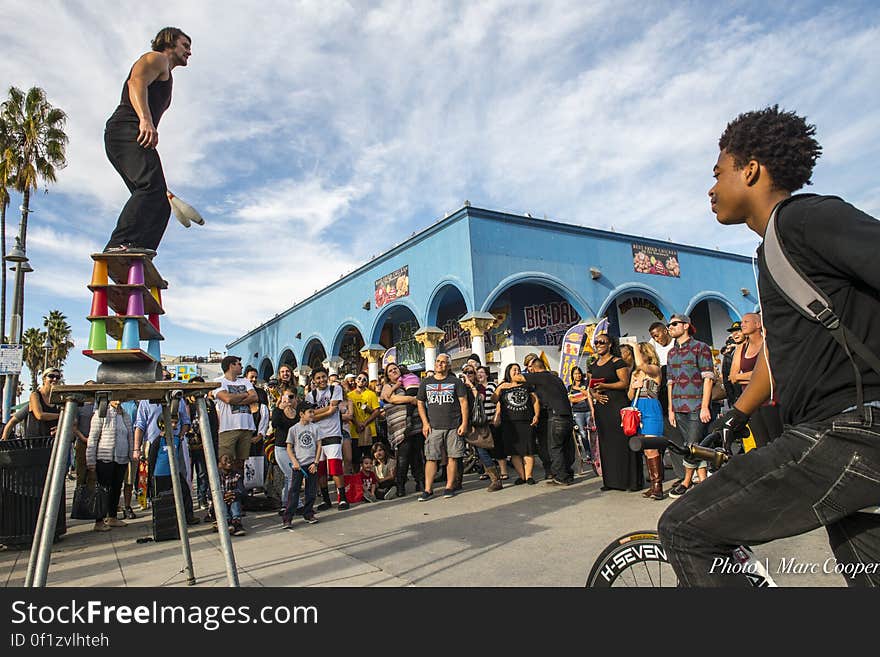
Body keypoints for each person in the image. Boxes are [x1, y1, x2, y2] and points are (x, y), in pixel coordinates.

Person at [660, 105, 880, 586]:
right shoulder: (773, 251)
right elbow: (779, 356)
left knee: (684, 528)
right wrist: (733, 417)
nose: (711, 188)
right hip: (849, 436)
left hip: (850, 431)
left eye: (718, 173)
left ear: (752, 169)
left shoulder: (805, 219)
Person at [104, 27, 192, 254]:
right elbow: (136, 82)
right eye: (185, 45)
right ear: (170, 42)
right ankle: (119, 245)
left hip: (133, 133)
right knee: (150, 188)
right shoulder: (157, 58)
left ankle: (139, 257)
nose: (189, 52)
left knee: (161, 204)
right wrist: (145, 119)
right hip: (127, 129)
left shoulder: (166, 74)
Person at [665, 314, 715, 498]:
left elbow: (708, 378)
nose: (670, 327)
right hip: (678, 405)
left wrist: (704, 406)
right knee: (692, 444)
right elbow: (670, 382)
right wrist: (670, 408)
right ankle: (703, 481)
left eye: (674, 324)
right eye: (669, 325)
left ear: (686, 326)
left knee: (692, 444)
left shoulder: (700, 348)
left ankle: (686, 481)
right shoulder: (671, 353)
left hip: (696, 404)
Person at [590, 336, 641, 491]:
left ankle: (630, 481)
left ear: (610, 344)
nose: (598, 345)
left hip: (616, 405)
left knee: (622, 443)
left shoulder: (617, 362)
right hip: (602, 408)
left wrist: (605, 385)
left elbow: (624, 383)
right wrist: (595, 395)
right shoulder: (593, 365)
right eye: (596, 342)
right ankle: (611, 481)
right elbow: (590, 386)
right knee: (606, 444)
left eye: (602, 342)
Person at [417, 353, 468, 501]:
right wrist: (425, 423)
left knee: (453, 457)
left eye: (444, 362)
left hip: (453, 425)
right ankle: (428, 490)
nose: (440, 364)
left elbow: (464, 402)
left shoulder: (455, 382)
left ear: (449, 365)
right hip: (434, 427)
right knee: (431, 458)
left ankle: (449, 487)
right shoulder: (426, 383)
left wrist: (464, 423)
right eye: (438, 361)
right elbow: (420, 402)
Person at [729, 312, 783, 448]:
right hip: (751, 404)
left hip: (770, 401)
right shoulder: (741, 348)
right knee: (761, 443)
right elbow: (733, 377)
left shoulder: (767, 344)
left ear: (758, 324)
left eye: (746, 321)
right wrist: (757, 377)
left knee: (777, 439)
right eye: (742, 322)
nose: (742, 324)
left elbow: (772, 371)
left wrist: (746, 377)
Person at [86, 400, 133, 532]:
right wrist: (91, 461)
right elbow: (93, 438)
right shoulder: (101, 413)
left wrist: (130, 454)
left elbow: (129, 436)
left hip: (121, 458)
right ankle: (99, 520)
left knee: (116, 488)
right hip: (105, 457)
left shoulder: (125, 415)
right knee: (103, 489)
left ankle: (112, 517)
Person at [307, 367, 349, 511]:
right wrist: (327, 410)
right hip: (318, 437)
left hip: (333, 434)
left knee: (335, 467)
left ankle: (342, 498)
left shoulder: (335, 389)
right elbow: (309, 416)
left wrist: (315, 414)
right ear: (313, 380)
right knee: (321, 470)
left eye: (323, 376)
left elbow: (332, 409)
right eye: (318, 378)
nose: (321, 380)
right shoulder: (310, 395)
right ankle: (326, 500)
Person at [493, 363, 540, 484]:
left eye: (518, 369)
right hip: (509, 423)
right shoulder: (503, 386)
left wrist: (536, 415)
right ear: (508, 372)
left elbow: (535, 400)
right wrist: (499, 387)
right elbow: (494, 400)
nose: (517, 371)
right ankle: (522, 476)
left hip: (526, 420)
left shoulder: (526, 385)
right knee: (514, 451)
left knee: (528, 449)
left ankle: (529, 476)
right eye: (514, 370)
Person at [380, 363, 422, 497]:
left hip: (415, 424)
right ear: (387, 376)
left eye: (395, 369)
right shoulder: (388, 386)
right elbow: (390, 398)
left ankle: (420, 481)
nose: (394, 371)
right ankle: (400, 485)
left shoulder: (408, 381)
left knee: (416, 454)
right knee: (403, 455)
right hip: (399, 427)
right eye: (390, 371)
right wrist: (410, 399)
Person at [630, 342, 665, 500]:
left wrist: (634, 346)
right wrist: (634, 384)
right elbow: (630, 396)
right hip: (637, 409)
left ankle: (658, 486)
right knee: (645, 449)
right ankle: (653, 484)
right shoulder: (636, 373)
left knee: (652, 448)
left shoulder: (654, 370)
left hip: (651, 408)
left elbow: (642, 365)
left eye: (639, 352)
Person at [213, 356, 258, 475]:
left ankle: (239, 489)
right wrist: (244, 395)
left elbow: (254, 397)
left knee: (241, 462)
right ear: (231, 365)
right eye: (239, 364)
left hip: (246, 427)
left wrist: (235, 399)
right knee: (225, 461)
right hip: (228, 428)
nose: (241, 367)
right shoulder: (219, 382)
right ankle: (223, 489)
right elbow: (227, 399)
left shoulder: (245, 381)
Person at [462, 365, 502, 491]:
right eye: (465, 372)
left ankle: (496, 479)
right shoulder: (461, 387)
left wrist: (471, 385)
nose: (468, 374)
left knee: (482, 450)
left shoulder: (479, 387)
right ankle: (456, 481)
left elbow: (480, 398)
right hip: (463, 423)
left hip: (478, 424)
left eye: (470, 372)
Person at [282, 402, 320, 528]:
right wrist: (294, 461)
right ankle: (288, 518)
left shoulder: (315, 428)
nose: (312, 414)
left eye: (313, 412)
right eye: (310, 412)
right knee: (294, 491)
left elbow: (319, 445)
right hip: (299, 464)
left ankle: (308, 513)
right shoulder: (293, 429)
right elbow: (289, 447)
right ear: (301, 414)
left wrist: (315, 462)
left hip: (311, 464)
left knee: (311, 491)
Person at [271, 385, 300, 512]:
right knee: (291, 474)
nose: (289, 399)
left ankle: (286, 502)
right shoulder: (278, 411)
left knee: (292, 476)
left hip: (296, 449)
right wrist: (279, 408)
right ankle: (295, 503)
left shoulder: (299, 412)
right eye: (286, 396)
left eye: (291, 397)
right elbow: (275, 424)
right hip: (281, 448)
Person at [477, 365, 508, 480]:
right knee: (484, 447)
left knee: (497, 446)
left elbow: (498, 401)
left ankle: (503, 471)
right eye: (477, 372)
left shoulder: (492, 385)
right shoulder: (476, 387)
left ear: (487, 374)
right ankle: (487, 471)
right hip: (481, 423)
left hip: (492, 421)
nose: (479, 374)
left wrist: (497, 415)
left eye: (482, 372)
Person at [348, 372, 381, 464]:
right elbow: (349, 413)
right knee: (355, 459)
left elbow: (377, 411)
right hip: (354, 432)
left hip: (370, 431)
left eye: (364, 379)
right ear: (355, 380)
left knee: (370, 458)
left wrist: (364, 423)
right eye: (359, 378)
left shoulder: (371, 394)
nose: (361, 381)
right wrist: (357, 423)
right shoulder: (349, 395)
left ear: (366, 383)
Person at [25, 368, 62, 438]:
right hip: (35, 441)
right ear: (44, 379)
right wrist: (61, 416)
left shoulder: (58, 399)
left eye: (57, 377)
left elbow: (73, 420)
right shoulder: (35, 395)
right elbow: (39, 415)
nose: (55, 379)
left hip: (51, 440)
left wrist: (60, 428)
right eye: (51, 376)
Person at [567, 366, 593, 462]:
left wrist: (578, 389)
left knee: (592, 433)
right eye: (575, 374)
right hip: (577, 412)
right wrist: (584, 397)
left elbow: (589, 394)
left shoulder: (586, 384)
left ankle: (595, 452)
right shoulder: (570, 388)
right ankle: (588, 454)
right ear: (572, 375)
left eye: (579, 373)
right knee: (583, 433)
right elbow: (572, 399)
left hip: (588, 410)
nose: (577, 375)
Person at [217, 454, 246, 536]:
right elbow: (210, 493)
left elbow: (242, 491)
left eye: (230, 460)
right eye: (225, 460)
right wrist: (223, 495)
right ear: (220, 464)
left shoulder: (237, 475)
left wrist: (233, 494)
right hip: (220, 502)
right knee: (221, 500)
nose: (229, 462)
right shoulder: (216, 476)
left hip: (233, 499)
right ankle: (227, 521)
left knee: (235, 499)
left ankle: (236, 522)